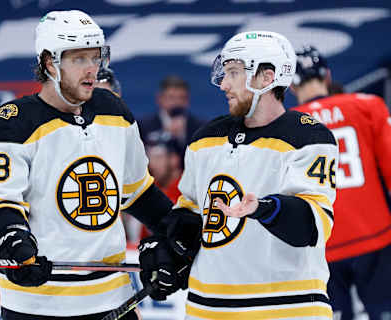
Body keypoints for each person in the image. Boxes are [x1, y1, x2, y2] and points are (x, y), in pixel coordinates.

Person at [0, 10, 184, 319]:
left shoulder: (115, 110)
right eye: (79, 59)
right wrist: (12, 241)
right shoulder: (12, 122)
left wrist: (177, 234)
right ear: (49, 63)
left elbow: (138, 191)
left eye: (95, 58)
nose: (92, 70)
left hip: (113, 295)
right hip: (37, 302)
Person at [141, 31, 339, 319]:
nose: (224, 84)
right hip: (206, 307)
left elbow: (311, 227)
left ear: (267, 77)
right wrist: (169, 249)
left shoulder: (308, 136)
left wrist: (263, 208)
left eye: (234, 72)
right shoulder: (205, 138)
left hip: (288, 308)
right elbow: (191, 212)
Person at [291, 46, 391, 320]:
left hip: (321, 246)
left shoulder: (283, 126)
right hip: (375, 234)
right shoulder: (367, 105)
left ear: (290, 85)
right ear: (327, 75)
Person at [138, 75, 206, 163]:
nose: (176, 102)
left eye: (181, 98)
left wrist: (180, 137)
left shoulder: (201, 127)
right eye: (171, 97)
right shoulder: (143, 126)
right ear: (159, 99)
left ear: (188, 100)